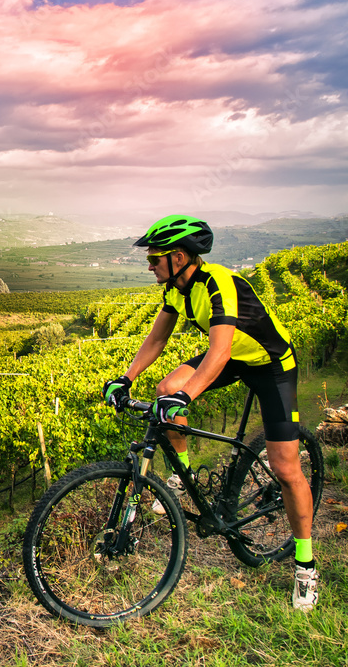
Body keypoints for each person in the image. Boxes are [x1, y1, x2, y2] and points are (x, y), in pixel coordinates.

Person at [101, 215, 318, 612]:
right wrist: (125, 377)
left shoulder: (219, 282)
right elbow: (157, 337)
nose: (149, 265)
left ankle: (305, 565)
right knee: (165, 388)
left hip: (271, 365)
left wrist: (187, 396)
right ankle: (182, 477)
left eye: (155, 259)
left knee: (286, 469)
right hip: (234, 359)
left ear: (179, 256)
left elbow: (218, 353)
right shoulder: (175, 290)